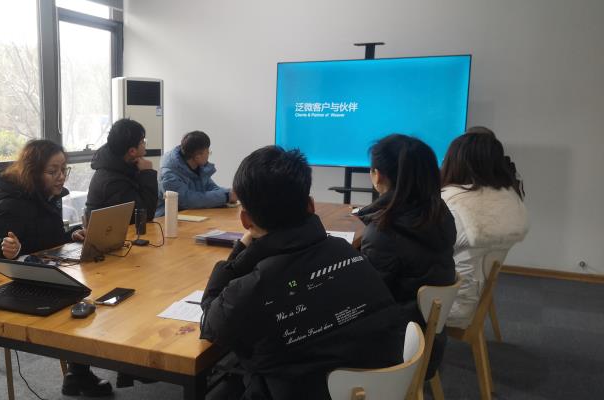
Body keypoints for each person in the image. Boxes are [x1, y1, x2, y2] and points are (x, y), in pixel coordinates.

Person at [201, 146, 403, 400]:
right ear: (310, 205)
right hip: (385, 388)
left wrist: (240, 252)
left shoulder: (253, 289)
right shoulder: (347, 251)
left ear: (246, 221)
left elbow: (211, 325)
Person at [0, 139, 112, 397]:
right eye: (53, 171)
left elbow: (46, 239)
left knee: (88, 287)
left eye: (64, 169)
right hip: (14, 284)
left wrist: (71, 235)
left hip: (42, 271)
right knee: (82, 294)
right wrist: (5, 249)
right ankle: (78, 374)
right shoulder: (11, 203)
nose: (61, 177)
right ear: (33, 173)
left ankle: (77, 373)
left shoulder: (48, 195)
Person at [355, 133, 457, 379]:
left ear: (377, 175)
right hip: (429, 341)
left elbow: (365, 300)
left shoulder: (384, 233)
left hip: (396, 352)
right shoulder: (440, 214)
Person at [440, 128, 528, 328]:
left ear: (455, 163)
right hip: (475, 300)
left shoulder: (453, 205)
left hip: (447, 305)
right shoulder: (510, 200)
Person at [85, 118, 158, 223]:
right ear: (132, 151)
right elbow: (145, 215)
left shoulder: (124, 164)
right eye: (143, 142)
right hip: (107, 232)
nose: (145, 145)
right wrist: (147, 173)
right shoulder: (112, 181)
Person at [156, 130, 236, 216]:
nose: (208, 155)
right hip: (166, 219)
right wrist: (226, 196)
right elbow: (187, 201)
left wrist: (230, 193)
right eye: (208, 152)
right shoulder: (168, 175)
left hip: (193, 216)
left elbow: (211, 187)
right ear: (198, 156)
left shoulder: (199, 167)